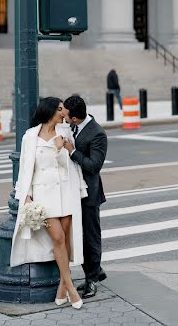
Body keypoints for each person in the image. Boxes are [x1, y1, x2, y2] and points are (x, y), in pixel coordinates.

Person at [10, 97, 87, 310]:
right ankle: (71, 287)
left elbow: (69, 167)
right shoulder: (30, 137)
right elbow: (26, 168)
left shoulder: (64, 132)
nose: (63, 112)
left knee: (65, 240)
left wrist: (61, 150)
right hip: (43, 197)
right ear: (50, 111)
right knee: (58, 238)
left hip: (65, 192)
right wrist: (26, 195)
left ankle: (62, 287)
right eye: (59, 109)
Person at [62, 95, 108, 299]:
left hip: (89, 193)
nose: (62, 116)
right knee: (78, 236)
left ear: (74, 118)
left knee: (91, 237)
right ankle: (95, 271)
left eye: (65, 114)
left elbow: (94, 166)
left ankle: (92, 280)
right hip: (74, 191)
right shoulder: (72, 126)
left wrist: (73, 152)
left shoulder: (97, 133)